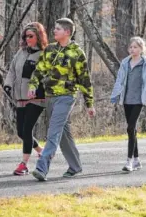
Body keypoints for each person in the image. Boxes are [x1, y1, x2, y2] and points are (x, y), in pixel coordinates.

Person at [28, 18, 95, 181]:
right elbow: (39, 70)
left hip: (66, 97)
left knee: (53, 131)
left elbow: (84, 80)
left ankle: (42, 167)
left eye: (58, 29)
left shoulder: (77, 53)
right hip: (50, 96)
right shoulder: (50, 49)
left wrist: (89, 103)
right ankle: (75, 166)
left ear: (67, 32)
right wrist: (33, 85)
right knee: (63, 132)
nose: (54, 31)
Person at [3, 22, 49, 175]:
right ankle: (40, 150)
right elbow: (12, 71)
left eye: (31, 36)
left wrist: (36, 87)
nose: (27, 39)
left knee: (28, 128)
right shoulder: (20, 53)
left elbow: (45, 76)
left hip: (36, 98)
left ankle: (24, 164)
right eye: (25, 36)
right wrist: (8, 85)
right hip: (20, 97)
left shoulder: (43, 54)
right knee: (21, 132)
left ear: (38, 36)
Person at [110, 36, 146, 172]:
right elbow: (119, 81)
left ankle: (129, 161)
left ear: (141, 49)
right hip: (126, 100)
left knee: (130, 128)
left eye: (135, 47)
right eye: (130, 47)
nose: (132, 49)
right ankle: (137, 160)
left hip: (139, 100)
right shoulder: (125, 63)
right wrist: (114, 96)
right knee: (133, 130)